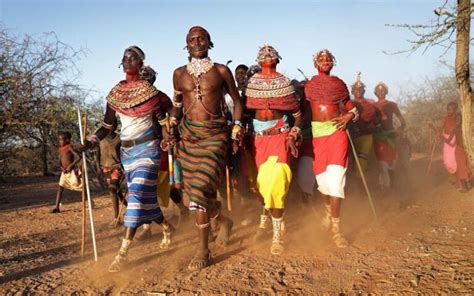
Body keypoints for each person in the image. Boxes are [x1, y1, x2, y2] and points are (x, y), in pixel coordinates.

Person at [79, 46, 174, 272]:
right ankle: (167, 227)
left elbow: (162, 120)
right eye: (125, 57)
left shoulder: (150, 94)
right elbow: (106, 126)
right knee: (144, 200)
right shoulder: (115, 95)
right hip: (127, 154)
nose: (128, 60)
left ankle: (122, 252)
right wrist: (90, 142)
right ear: (122, 63)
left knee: (136, 197)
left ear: (141, 64)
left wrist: (167, 136)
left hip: (149, 150)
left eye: (134, 58)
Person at [167, 26, 243, 271]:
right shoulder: (179, 74)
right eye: (192, 39)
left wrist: (237, 127)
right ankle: (224, 221)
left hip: (215, 135)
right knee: (198, 194)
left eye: (201, 38)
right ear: (186, 45)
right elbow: (177, 106)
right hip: (188, 138)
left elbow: (237, 102)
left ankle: (203, 249)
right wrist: (171, 124)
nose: (197, 42)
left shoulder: (221, 71)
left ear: (210, 42)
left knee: (199, 189)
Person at [245, 44, 302, 254]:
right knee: (263, 187)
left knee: (276, 182)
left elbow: (297, 114)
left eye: (271, 54)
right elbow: (246, 112)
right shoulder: (253, 84)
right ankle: (275, 220)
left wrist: (294, 133)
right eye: (264, 54)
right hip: (259, 139)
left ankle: (277, 236)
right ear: (259, 60)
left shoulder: (284, 82)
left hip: (280, 136)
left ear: (277, 59)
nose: (268, 56)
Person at [304, 49, 359, 248]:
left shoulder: (338, 84)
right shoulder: (309, 87)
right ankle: (328, 211)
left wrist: (348, 116)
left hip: (337, 134)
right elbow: (300, 111)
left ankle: (337, 231)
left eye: (328, 59)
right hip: (318, 136)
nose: (325, 61)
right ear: (315, 63)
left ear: (332, 63)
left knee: (336, 182)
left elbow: (352, 108)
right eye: (321, 59)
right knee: (323, 184)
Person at [372, 82, 406, 192]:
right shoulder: (372, 106)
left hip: (391, 135)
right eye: (378, 91)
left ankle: (392, 184)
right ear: (375, 93)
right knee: (382, 163)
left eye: (383, 90)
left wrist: (399, 129)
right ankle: (384, 188)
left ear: (386, 92)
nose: (380, 92)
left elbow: (402, 121)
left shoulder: (392, 105)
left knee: (391, 163)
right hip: (379, 136)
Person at [349, 72, 380, 177]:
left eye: (360, 89)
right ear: (352, 91)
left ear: (364, 91)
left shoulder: (371, 104)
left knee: (362, 158)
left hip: (366, 135)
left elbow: (377, 119)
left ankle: (360, 182)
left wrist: (373, 126)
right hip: (352, 136)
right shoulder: (347, 104)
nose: (358, 91)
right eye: (356, 89)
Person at [97, 122, 126, 227]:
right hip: (105, 168)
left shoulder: (119, 139)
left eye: (112, 126)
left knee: (112, 189)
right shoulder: (101, 139)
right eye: (108, 126)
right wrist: (98, 168)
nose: (110, 128)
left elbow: (124, 152)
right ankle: (129, 208)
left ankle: (116, 218)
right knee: (117, 192)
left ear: (115, 127)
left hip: (117, 167)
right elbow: (98, 153)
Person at [439, 102, 472, 193]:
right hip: (457, 149)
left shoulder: (463, 127)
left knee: (463, 167)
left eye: (459, 119)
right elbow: (449, 139)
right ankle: (464, 185)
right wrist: (440, 135)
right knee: (459, 167)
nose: (457, 121)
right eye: (448, 109)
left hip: (462, 149)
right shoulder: (454, 127)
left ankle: (465, 184)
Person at [51, 131, 82, 213]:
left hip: (71, 172)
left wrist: (70, 166)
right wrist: (62, 168)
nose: (60, 141)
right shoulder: (60, 149)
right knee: (60, 188)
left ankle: (90, 201)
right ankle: (57, 207)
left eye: (62, 140)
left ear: (67, 140)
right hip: (64, 172)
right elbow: (59, 161)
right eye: (59, 140)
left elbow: (78, 157)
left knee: (80, 187)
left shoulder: (69, 147)